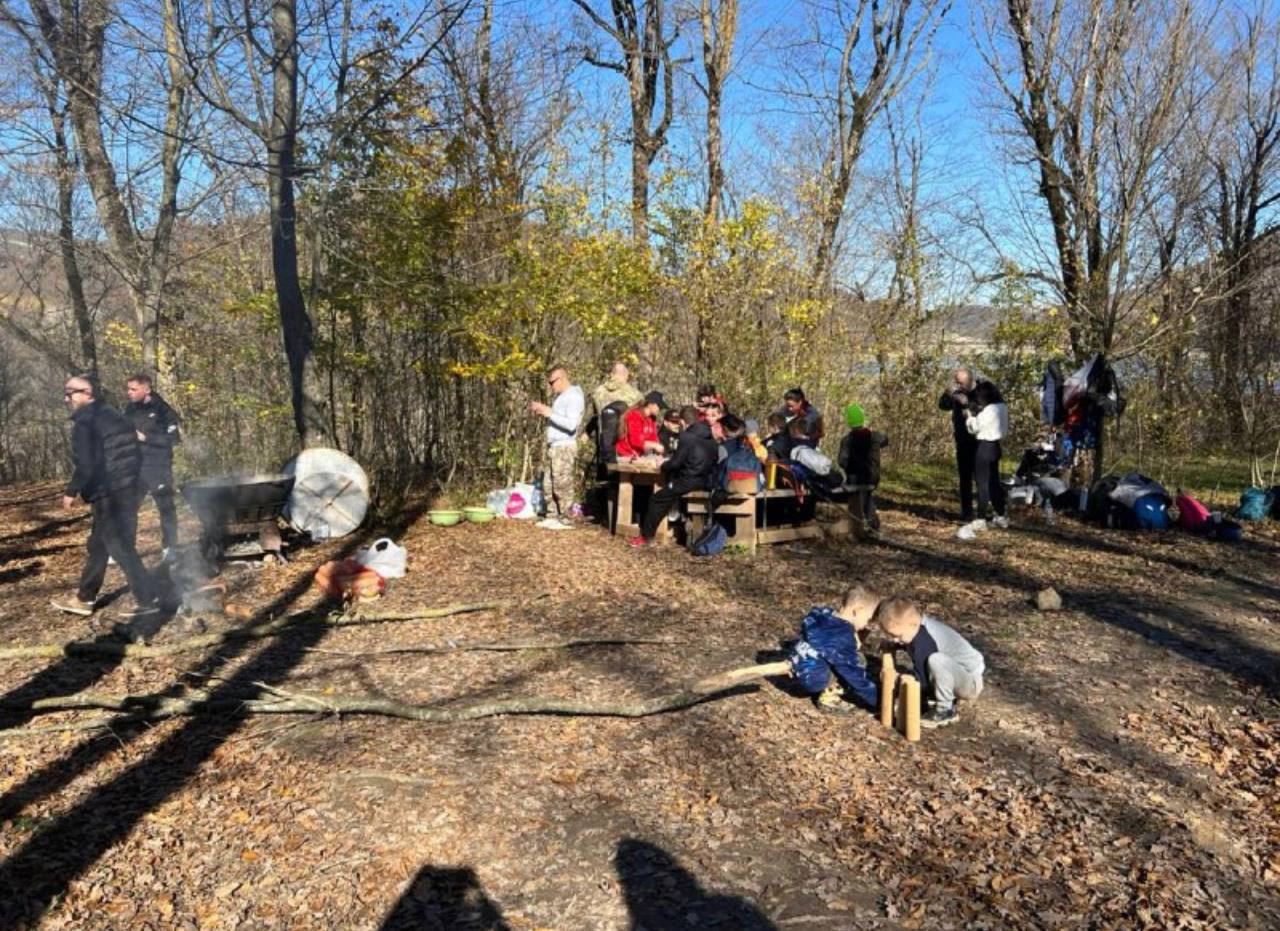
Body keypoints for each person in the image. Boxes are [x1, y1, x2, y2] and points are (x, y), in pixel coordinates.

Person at [51, 375, 160, 621]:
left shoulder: (85, 423)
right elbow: (134, 449)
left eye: (71, 393)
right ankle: (84, 598)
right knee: (99, 544)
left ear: (88, 393)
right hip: (127, 486)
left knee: (120, 546)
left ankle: (148, 598)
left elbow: (87, 465)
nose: (66, 398)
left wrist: (71, 491)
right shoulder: (115, 415)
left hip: (109, 491)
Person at [873, 597, 985, 728]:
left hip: (969, 682)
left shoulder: (924, 642)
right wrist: (895, 645)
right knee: (932, 663)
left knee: (935, 660)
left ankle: (945, 709)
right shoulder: (915, 630)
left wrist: (899, 683)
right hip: (958, 675)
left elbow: (923, 682)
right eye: (892, 636)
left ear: (913, 624)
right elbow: (909, 643)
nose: (896, 640)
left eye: (898, 636)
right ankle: (942, 699)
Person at [628, 405, 717, 548]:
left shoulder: (688, 437)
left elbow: (675, 463)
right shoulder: (710, 436)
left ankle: (646, 537)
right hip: (706, 480)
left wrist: (661, 465)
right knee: (668, 496)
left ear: (682, 421)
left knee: (657, 499)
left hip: (689, 480)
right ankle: (670, 528)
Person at [788, 586, 881, 713]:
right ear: (858, 611)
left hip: (797, 664)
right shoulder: (842, 636)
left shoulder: (822, 613)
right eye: (868, 619)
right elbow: (852, 672)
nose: (867, 624)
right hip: (812, 678)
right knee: (857, 661)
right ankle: (827, 698)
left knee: (837, 658)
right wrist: (876, 699)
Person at [124, 373, 182, 559]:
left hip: (159, 467)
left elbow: (174, 440)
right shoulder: (130, 409)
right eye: (128, 389)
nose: (129, 393)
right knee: (129, 507)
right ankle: (125, 548)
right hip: (135, 466)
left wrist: (146, 438)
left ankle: (170, 548)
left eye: (133, 389)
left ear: (146, 389)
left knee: (165, 507)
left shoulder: (164, 411)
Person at [529, 366, 585, 524]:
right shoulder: (561, 397)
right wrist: (545, 410)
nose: (550, 385)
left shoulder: (573, 397)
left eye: (551, 382)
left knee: (562, 483)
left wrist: (549, 413)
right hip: (554, 446)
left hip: (564, 446)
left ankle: (566, 515)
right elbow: (557, 418)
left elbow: (571, 425)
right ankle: (552, 514)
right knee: (549, 483)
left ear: (561, 378)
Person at [939, 368, 994, 522]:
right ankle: (966, 512)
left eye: (961, 382)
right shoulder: (956, 393)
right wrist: (948, 393)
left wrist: (967, 404)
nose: (959, 385)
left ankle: (983, 512)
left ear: (970, 380)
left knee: (981, 478)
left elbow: (986, 411)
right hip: (962, 440)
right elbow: (943, 405)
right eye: (956, 382)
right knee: (965, 478)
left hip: (981, 440)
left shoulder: (982, 391)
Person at [963, 380, 1009, 534]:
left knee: (982, 483)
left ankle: (981, 518)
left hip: (984, 447)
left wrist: (969, 416)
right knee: (994, 482)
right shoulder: (1002, 407)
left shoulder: (989, 410)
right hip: (996, 446)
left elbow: (975, 428)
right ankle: (1000, 514)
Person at [838, 403, 888, 533]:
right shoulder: (874, 436)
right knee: (866, 496)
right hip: (872, 476)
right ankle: (872, 524)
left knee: (859, 497)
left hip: (855, 478)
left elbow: (842, 461)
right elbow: (886, 440)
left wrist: (850, 467)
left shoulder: (847, 440)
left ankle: (864, 525)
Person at [587, 361, 644, 475]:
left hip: (602, 446)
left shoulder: (598, 392)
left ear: (611, 374)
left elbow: (596, 417)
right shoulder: (634, 394)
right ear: (625, 375)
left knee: (603, 483)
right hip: (625, 449)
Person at [615, 391, 667, 460]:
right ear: (650, 404)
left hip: (639, 455)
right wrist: (654, 445)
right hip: (626, 454)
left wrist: (658, 449)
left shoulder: (651, 419)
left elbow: (653, 437)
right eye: (659, 407)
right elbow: (635, 441)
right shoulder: (634, 415)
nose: (660, 409)